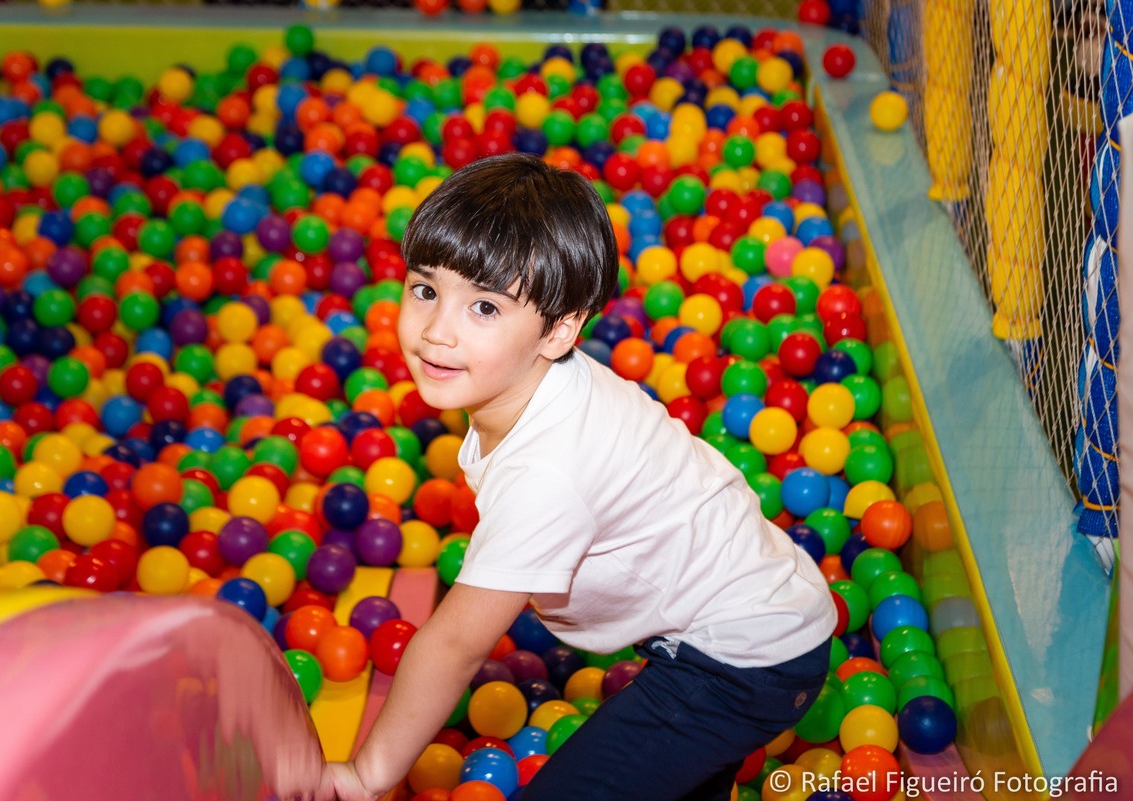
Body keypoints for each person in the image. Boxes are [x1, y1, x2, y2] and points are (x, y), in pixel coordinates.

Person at [317, 153, 837, 801]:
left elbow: (453, 644)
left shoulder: (548, 472)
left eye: (483, 307)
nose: (436, 331)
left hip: (745, 657)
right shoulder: (538, 384)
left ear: (560, 330)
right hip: (765, 609)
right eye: (425, 289)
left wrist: (369, 773)